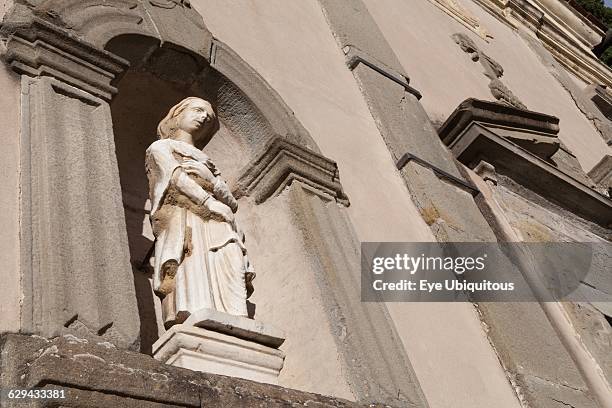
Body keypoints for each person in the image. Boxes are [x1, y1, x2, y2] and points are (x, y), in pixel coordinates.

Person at [145, 97, 254, 327]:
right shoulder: (161, 147)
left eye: (209, 117)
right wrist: (209, 201)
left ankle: (235, 315)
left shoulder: (207, 160)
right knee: (192, 262)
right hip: (186, 218)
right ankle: (196, 311)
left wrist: (211, 182)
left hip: (219, 219)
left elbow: (232, 202)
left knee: (230, 253)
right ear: (178, 115)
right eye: (197, 110)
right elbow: (173, 178)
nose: (204, 117)